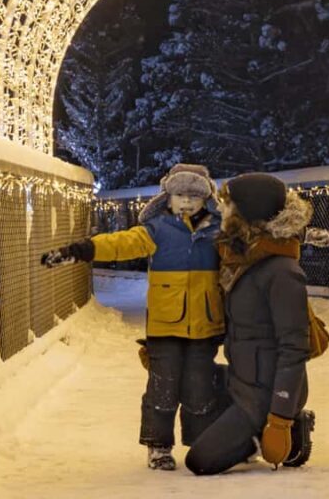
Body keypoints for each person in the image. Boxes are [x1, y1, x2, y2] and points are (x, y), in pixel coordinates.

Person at [41, 163, 223, 471]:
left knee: (200, 385)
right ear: (167, 199)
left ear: (206, 200)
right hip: (165, 324)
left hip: (205, 324)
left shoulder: (218, 230)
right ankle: (158, 446)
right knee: (162, 386)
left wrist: (297, 235)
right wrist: (80, 250)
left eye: (195, 196)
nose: (188, 202)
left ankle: (201, 442)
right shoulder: (158, 230)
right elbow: (120, 243)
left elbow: (255, 241)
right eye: (180, 195)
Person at [186, 172, 316, 475]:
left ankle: (293, 429)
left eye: (228, 205)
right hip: (241, 380)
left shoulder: (282, 271)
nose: (222, 211)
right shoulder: (241, 260)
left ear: (249, 212)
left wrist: (280, 418)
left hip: (266, 395)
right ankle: (243, 432)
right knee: (188, 378)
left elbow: (295, 347)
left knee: (200, 461)